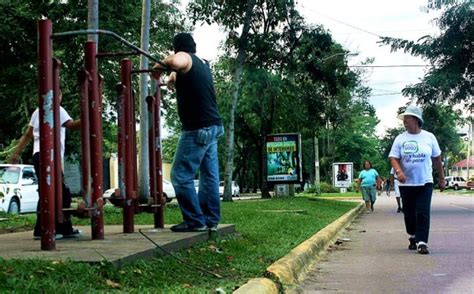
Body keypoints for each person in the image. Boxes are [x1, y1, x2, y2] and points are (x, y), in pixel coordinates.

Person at [152, 33, 224, 232]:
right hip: (213, 126)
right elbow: (179, 68)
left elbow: (176, 60)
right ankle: (210, 220)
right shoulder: (201, 63)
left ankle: (194, 220)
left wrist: (158, 68)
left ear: (178, 48)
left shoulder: (183, 57)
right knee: (209, 176)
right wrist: (172, 76)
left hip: (197, 129)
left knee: (180, 175)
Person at [8, 92, 82, 239]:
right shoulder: (57, 109)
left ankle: (60, 228)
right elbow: (72, 126)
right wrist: (90, 115)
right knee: (56, 193)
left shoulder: (38, 111)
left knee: (51, 191)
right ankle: (45, 229)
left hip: (40, 155)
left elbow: (28, 134)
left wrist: (16, 153)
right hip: (48, 155)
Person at [389, 105, 445, 255]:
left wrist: (441, 178)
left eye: (407, 119)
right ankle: (413, 235)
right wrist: (399, 171)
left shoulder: (429, 137)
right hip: (406, 183)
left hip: (425, 181)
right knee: (409, 213)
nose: (404, 122)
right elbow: (393, 158)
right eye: (404, 119)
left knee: (423, 212)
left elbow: (437, 159)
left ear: (416, 120)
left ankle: (422, 242)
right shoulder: (400, 139)